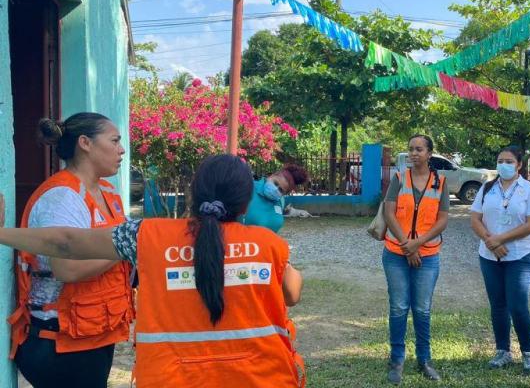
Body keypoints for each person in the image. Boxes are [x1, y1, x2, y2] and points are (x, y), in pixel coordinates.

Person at [0, 155, 305, 387]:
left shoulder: (146, 235)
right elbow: (292, 294)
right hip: (259, 376)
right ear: (245, 202)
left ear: (193, 192)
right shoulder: (268, 244)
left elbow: (66, 242)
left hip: (171, 377)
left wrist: (2, 233)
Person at [8, 113, 134, 388]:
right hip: (60, 340)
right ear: (85, 143)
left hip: (92, 332)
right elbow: (68, 268)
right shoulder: (62, 197)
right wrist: (125, 248)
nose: (121, 149)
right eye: (114, 140)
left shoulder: (107, 192)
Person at [470, 146, 530, 375]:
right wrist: (490, 240)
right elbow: (475, 218)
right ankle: (503, 350)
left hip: (518, 255)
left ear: (519, 165)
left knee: (518, 305)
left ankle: (528, 353)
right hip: (489, 255)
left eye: (509, 161)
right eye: (500, 160)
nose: (504, 164)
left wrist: (500, 239)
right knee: (498, 305)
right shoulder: (488, 188)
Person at [383, 134, 449, 384]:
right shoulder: (399, 178)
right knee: (399, 307)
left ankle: (425, 359)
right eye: (411, 149)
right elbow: (389, 213)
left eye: (419, 149)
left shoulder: (440, 182)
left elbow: (442, 219)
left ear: (429, 153)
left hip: (428, 255)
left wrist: (418, 244)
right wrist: (408, 247)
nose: (414, 153)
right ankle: (397, 359)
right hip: (396, 253)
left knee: (422, 309)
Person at [243, 164, 309, 233]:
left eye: (280, 190)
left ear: (284, 194)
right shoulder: (248, 187)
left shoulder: (281, 201)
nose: (275, 189)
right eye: (275, 183)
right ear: (271, 176)